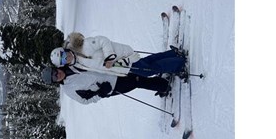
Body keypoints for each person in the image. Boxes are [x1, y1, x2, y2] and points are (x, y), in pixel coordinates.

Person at [52, 32, 186, 78]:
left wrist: (109, 58)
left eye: (64, 55)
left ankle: (178, 63)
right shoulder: (77, 63)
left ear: (65, 50)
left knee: (148, 70)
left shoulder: (83, 46)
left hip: (121, 58)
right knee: (148, 63)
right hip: (120, 66)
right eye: (63, 60)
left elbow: (103, 40)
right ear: (63, 64)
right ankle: (173, 54)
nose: (66, 58)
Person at [41, 66, 170, 105]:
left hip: (111, 71)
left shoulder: (71, 66)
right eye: (54, 77)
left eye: (55, 72)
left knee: (137, 73)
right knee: (136, 81)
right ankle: (164, 85)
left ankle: (159, 82)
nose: (57, 74)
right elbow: (85, 100)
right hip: (110, 86)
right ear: (55, 82)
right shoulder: (69, 90)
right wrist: (101, 93)